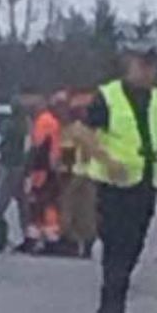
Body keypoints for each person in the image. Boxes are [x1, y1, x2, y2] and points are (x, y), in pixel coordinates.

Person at [76, 27, 157, 313]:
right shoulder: (108, 97)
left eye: (152, 65)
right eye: (142, 64)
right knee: (116, 243)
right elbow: (82, 132)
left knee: (134, 245)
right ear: (128, 63)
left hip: (146, 182)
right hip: (114, 184)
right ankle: (112, 305)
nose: (147, 70)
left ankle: (114, 301)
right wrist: (108, 161)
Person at [22, 93, 65, 253]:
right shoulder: (51, 121)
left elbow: (39, 148)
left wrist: (30, 169)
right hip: (49, 168)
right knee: (48, 204)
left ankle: (35, 238)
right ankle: (50, 238)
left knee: (38, 204)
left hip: (42, 170)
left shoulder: (43, 121)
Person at [60, 95, 98, 258]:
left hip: (74, 175)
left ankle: (72, 242)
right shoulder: (93, 132)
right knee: (88, 211)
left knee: (70, 209)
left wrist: (63, 170)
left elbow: (67, 154)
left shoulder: (71, 131)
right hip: (90, 174)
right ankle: (88, 243)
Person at [0, 94, 33, 244]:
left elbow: (2, 143)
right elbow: (27, 147)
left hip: (9, 165)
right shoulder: (25, 125)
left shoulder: (8, 124)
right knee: (22, 203)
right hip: (18, 165)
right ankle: (26, 233)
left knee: (4, 199)